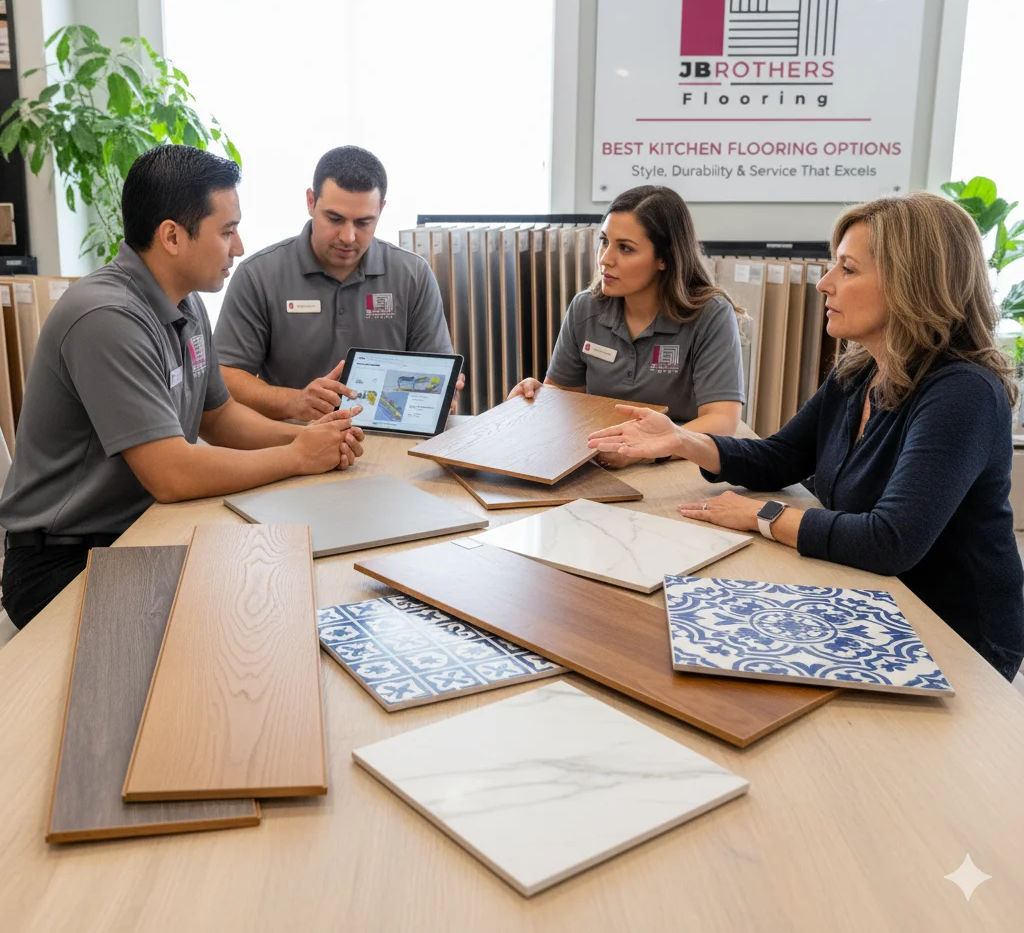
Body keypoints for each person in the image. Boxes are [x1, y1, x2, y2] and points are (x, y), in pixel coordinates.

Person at [589, 192, 1024, 681]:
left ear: (912, 285)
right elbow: (781, 457)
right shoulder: (860, 372)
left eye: (848, 269)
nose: (824, 284)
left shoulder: (963, 392)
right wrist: (681, 441)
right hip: (873, 599)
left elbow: (890, 541)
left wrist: (762, 514)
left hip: (955, 637)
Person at [0, 145, 364, 629]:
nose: (238, 247)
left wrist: (313, 438)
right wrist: (298, 456)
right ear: (172, 236)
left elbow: (219, 417)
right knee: (241, 625)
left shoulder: (186, 305)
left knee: (277, 589)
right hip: (62, 562)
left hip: (139, 533)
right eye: (227, 231)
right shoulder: (106, 317)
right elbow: (172, 474)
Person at [214, 145, 458, 421]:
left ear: (382, 209)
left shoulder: (413, 274)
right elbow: (226, 375)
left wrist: (441, 391)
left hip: (389, 437)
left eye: (364, 222)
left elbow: (436, 373)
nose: (348, 237)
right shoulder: (258, 275)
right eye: (335, 218)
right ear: (310, 201)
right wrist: (294, 402)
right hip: (292, 439)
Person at [508, 185, 745, 467]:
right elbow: (563, 399)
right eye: (604, 241)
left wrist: (644, 449)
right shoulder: (585, 308)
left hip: (678, 464)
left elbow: (722, 422)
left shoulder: (711, 315)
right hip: (599, 460)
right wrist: (536, 398)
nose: (605, 259)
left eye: (625, 248)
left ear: (663, 259)